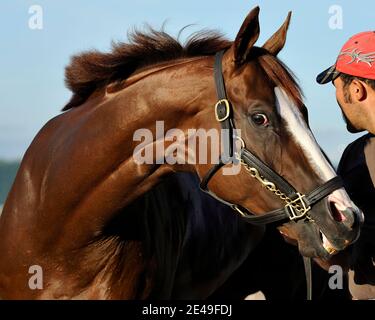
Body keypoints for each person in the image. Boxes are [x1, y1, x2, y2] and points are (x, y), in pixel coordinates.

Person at [316, 31, 375, 298]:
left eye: (337, 88)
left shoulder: (359, 156)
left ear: (356, 89)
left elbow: (333, 244)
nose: (337, 99)